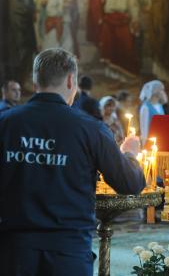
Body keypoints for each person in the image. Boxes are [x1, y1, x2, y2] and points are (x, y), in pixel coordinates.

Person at [0, 48, 145, 276]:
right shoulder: (90, 129)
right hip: (67, 252)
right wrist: (130, 154)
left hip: (12, 252)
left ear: (36, 79)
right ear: (70, 80)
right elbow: (130, 183)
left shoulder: (5, 122)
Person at [139, 80, 168, 145]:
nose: (163, 92)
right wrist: (145, 144)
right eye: (161, 90)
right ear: (155, 91)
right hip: (150, 140)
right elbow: (144, 128)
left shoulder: (160, 106)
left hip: (160, 139)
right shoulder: (145, 107)